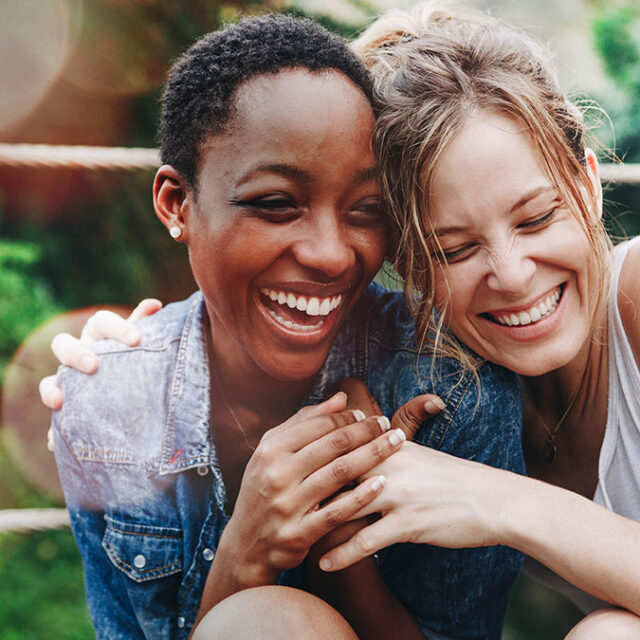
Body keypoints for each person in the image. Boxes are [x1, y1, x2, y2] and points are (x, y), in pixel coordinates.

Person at [47, 13, 524, 640]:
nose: (330, 254)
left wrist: (341, 542)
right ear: (176, 203)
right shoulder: (103, 409)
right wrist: (246, 553)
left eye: (367, 209)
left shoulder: (451, 392)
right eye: (276, 204)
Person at [306, 4, 640, 638]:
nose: (513, 275)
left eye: (537, 217)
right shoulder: (454, 392)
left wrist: (501, 502)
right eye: (453, 250)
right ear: (405, 265)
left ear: (589, 185)